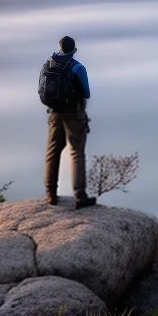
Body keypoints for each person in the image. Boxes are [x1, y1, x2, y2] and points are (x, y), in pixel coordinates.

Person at [40, 35, 96, 208]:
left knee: (52, 152)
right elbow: (86, 93)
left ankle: (50, 194)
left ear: (59, 47)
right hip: (73, 114)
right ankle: (80, 196)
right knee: (77, 153)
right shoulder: (77, 67)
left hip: (54, 114)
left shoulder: (47, 64)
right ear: (73, 50)